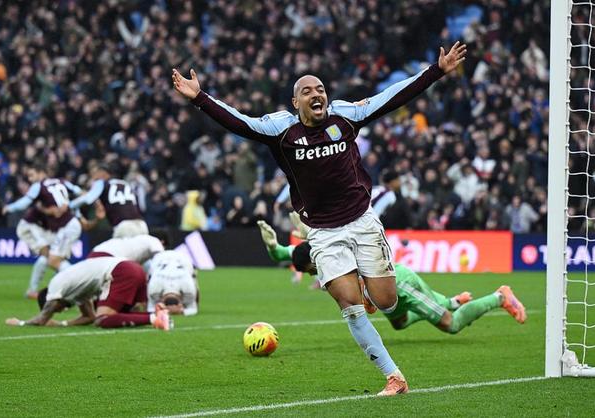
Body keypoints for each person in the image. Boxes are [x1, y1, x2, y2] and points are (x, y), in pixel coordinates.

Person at [173, 41, 467, 395]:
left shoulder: (345, 116)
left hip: (362, 220)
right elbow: (241, 122)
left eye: (321, 89)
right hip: (323, 232)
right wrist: (200, 98)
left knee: (387, 302)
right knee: (350, 307)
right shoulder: (281, 130)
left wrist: (436, 72)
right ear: (295, 103)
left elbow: (390, 98)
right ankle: (394, 376)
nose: (317, 94)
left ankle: (369, 288)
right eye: (307, 91)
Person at [257, 218, 527, 333]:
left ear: (314, 260)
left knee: (451, 324)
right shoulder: (315, 255)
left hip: (400, 285)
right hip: (384, 293)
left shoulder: (334, 254)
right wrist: (271, 247)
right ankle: (451, 301)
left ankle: (499, 297)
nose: (312, 274)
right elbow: (283, 254)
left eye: (310, 270)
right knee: (399, 323)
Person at [4, 256, 171, 330]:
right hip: (133, 268)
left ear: (50, 299)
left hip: (120, 271)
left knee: (103, 319)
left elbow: (42, 319)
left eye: (57, 309)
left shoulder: (55, 285)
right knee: (127, 313)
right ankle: (159, 314)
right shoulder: (74, 289)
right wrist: (63, 324)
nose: (61, 310)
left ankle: (155, 319)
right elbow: (89, 317)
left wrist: (20, 323)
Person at [3, 164, 83, 288]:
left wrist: (9, 207)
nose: (30, 179)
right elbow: (79, 192)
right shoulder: (62, 181)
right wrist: (72, 207)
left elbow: (25, 202)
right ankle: (62, 287)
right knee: (52, 258)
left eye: (32, 175)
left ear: (41, 173)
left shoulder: (38, 186)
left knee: (52, 259)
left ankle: (79, 283)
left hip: (59, 226)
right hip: (55, 226)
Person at [68, 164, 148, 238]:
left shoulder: (101, 183)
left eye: (94, 174)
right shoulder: (124, 183)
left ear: (102, 173)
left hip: (123, 227)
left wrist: (70, 205)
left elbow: (88, 199)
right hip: (141, 224)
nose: (92, 178)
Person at [147, 250, 199, 316]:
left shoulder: (189, 289)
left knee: (194, 287)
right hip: (159, 259)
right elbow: (150, 309)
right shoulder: (154, 290)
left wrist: (180, 311)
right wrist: (181, 311)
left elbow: (193, 309)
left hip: (182, 260)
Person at [87, 232, 167, 264]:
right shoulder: (154, 240)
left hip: (95, 253)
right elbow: (162, 259)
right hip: (107, 256)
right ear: (162, 242)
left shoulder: (139, 240)